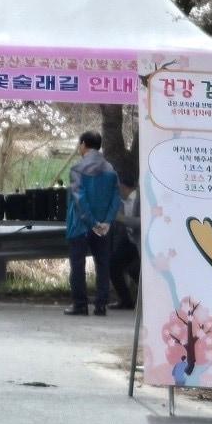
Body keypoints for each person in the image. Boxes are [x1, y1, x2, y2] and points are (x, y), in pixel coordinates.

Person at [64, 131, 122, 316]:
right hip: (104, 227)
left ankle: (80, 305)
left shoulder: (77, 169)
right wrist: (106, 221)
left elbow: (80, 200)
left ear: (83, 144)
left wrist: (92, 222)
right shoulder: (111, 170)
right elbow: (116, 198)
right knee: (103, 265)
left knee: (78, 265)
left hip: (80, 226)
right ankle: (101, 305)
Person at [110, 172, 141, 310]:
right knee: (113, 265)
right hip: (128, 240)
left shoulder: (139, 200)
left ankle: (146, 298)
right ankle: (125, 300)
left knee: (135, 269)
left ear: (123, 187)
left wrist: (120, 218)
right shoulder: (122, 202)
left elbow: (140, 222)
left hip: (139, 241)